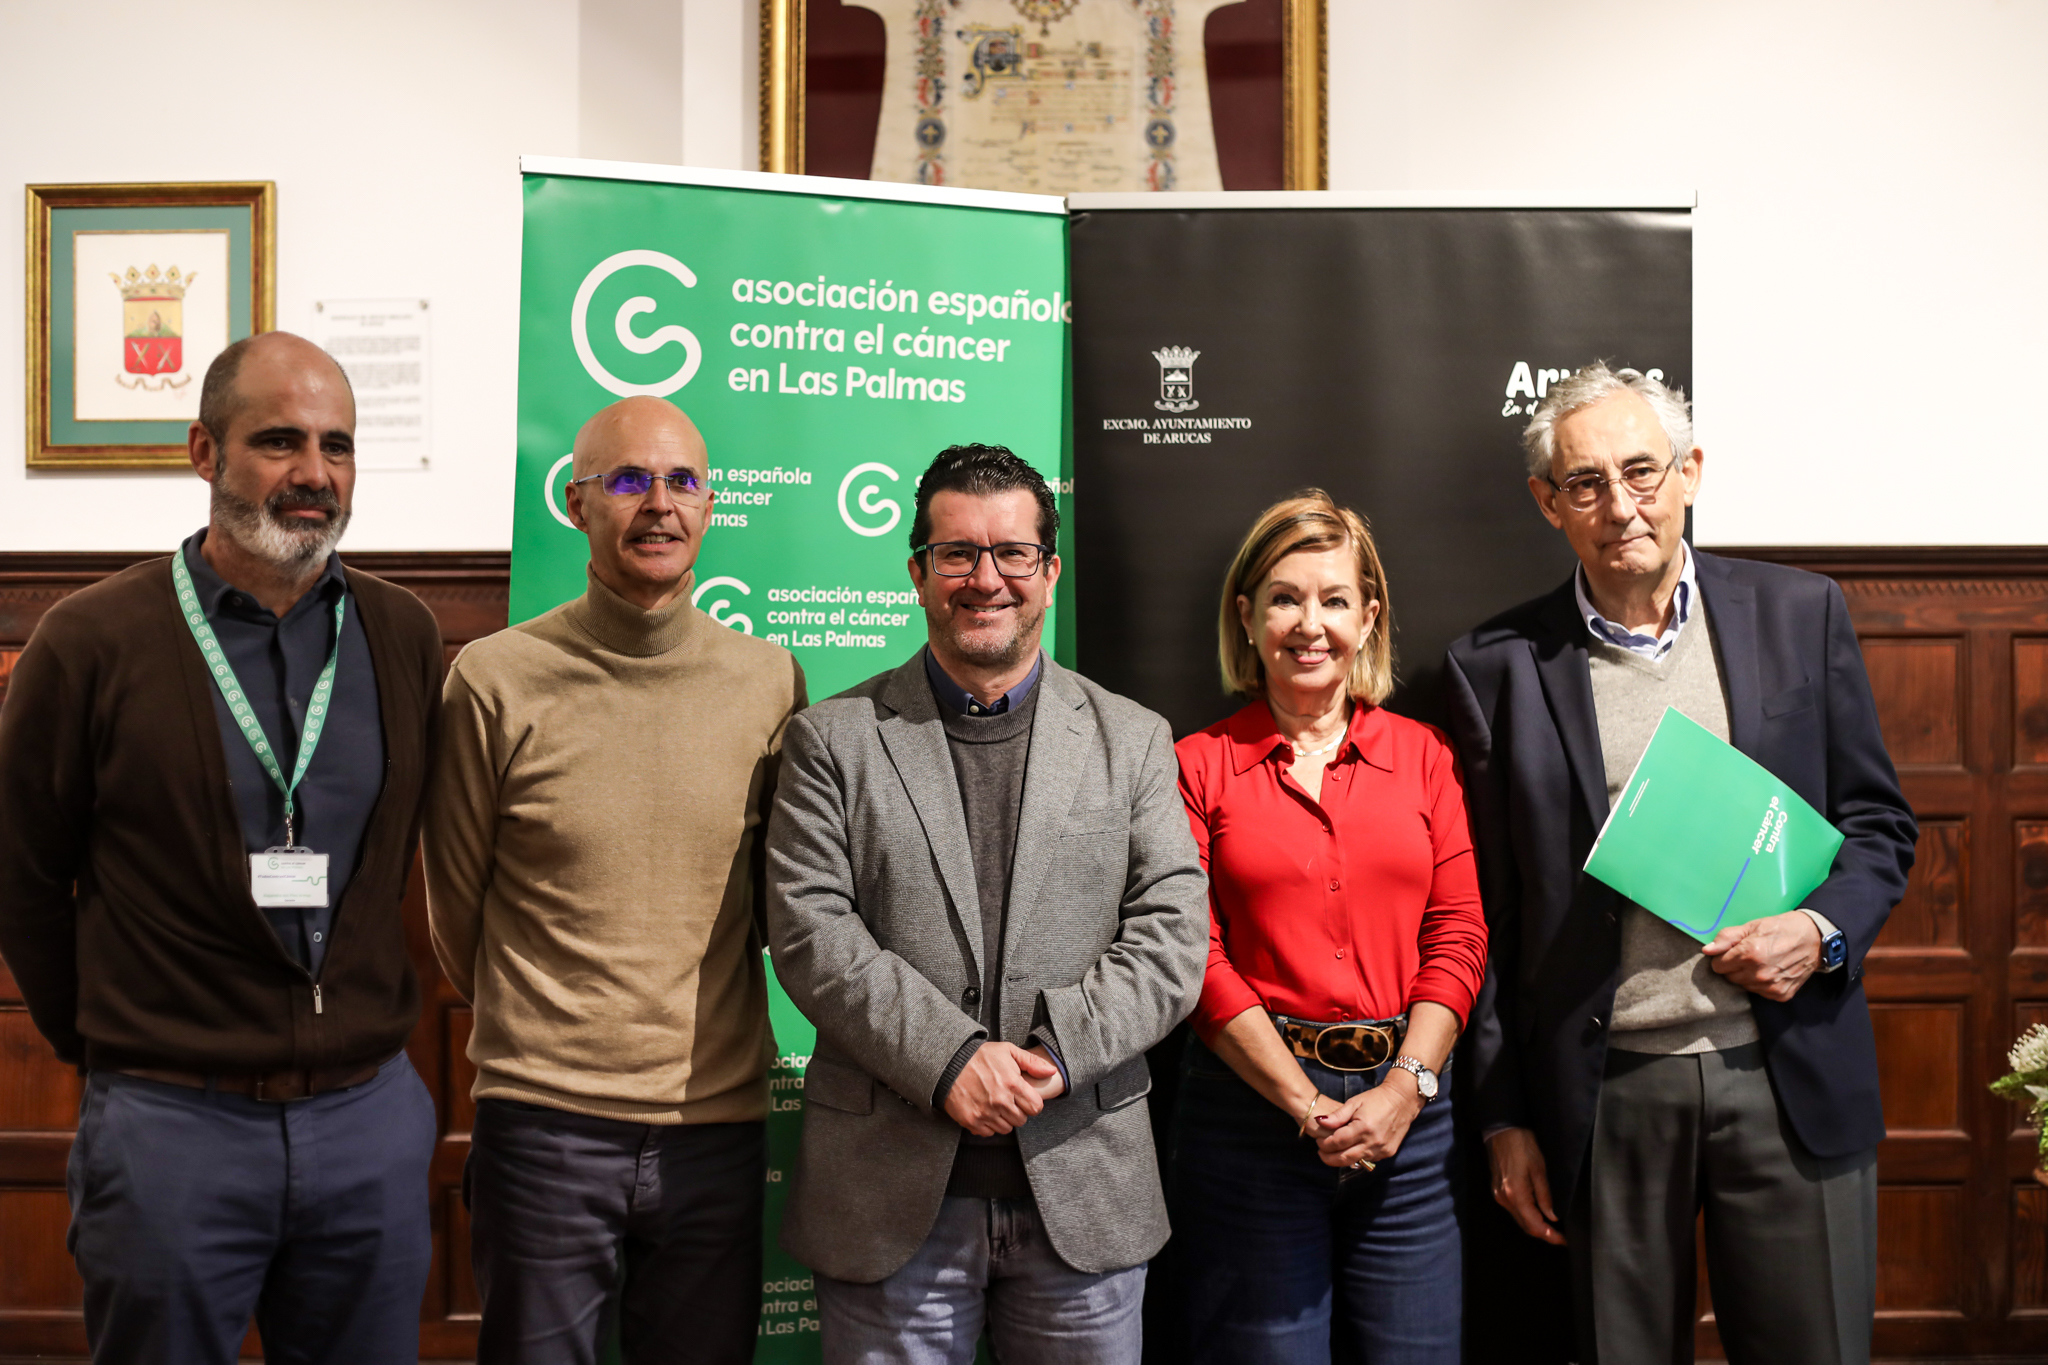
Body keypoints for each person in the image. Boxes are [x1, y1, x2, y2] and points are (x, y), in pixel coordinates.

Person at [1444, 363, 1918, 1364]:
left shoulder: (1800, 614)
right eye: (1585, 483)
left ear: (1689, 472)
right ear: (1548, 503)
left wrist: (1819, 933)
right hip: (1604, 1091)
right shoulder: (1493, 668)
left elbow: (1878, 826)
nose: (1620, 506)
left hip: (1787, 1068)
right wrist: (1502, 1117)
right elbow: (1484, 915)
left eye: (1640, 472)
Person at [0, 332, 445, 1364]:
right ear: (204, 451)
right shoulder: (91, 638)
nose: (314, 473)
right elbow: (21, 874)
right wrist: (117, 1045)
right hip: (171, 1127)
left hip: (368, 1121)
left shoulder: (402, 633)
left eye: (337, 445)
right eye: (279, 441)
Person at [766, 443, 1209, 1364]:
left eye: (1012, 552)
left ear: (1050, 571)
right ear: (917, 573)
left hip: (1084, 1190)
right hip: (886, 1204)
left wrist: (1054, 1054)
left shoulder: (1132, 739)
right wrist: (950, 1059)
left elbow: (1171, 938)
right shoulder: (831, 740)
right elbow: (812, 934)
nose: (985, 578)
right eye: (957, 553)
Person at [423, 396, 805, 1364]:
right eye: (629, 480)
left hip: (715, 1127)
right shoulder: (494, 680)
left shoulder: (769, 681)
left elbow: (773, 906)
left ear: (710, 504)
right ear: (576, 501)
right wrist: (554, 1038)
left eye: (683, 481)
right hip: (544, 1127)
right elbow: (456, 914)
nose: (658, 504)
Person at [1169, 491, 1487, 1364]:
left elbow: (1459, 932)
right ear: (1247, 616)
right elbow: (1194, 956)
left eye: (1334, 599)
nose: (1310, 624)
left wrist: (1404, 1090)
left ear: (1368, 616)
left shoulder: (1424, 755)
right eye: (1285, 598)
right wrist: (1305, 1103)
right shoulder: (1196, 766)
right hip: (1250, 1122)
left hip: (1410, 1122)